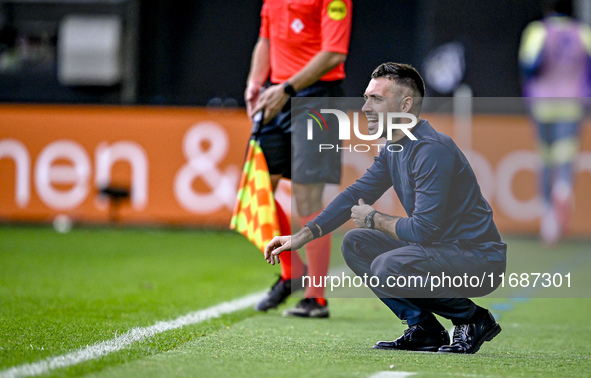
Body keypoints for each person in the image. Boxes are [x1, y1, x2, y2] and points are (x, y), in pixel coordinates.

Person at [264, 62, 507, 354]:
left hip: (478, 262)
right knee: (355, 243)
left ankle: (473, 318)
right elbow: (355, 194)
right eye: (367, 97)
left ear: (405, 105)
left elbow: (425, 230)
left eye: (376, 99)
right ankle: (424, 328)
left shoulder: (431, 149)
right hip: (442, 253)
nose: (366, 107)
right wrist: (300, 237)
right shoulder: (394, 147)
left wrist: (375, 219)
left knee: (387, 266)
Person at [245, 0, 352, 318]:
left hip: (317, 97)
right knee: (257, 188)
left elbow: (334, 53)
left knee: (307, 197)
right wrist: (254, 84)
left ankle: (316, 298)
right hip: (277, 96)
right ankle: (292, 273)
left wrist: (287, 87)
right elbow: (266, 39)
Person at [519, 0, 591, 245]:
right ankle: (563, 187)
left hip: (543, 102)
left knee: (546, 158)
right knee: (566, 155)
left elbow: (529, 65)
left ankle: (549, 219)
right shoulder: (583, 32)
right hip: (572, 101)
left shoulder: (538, 31)